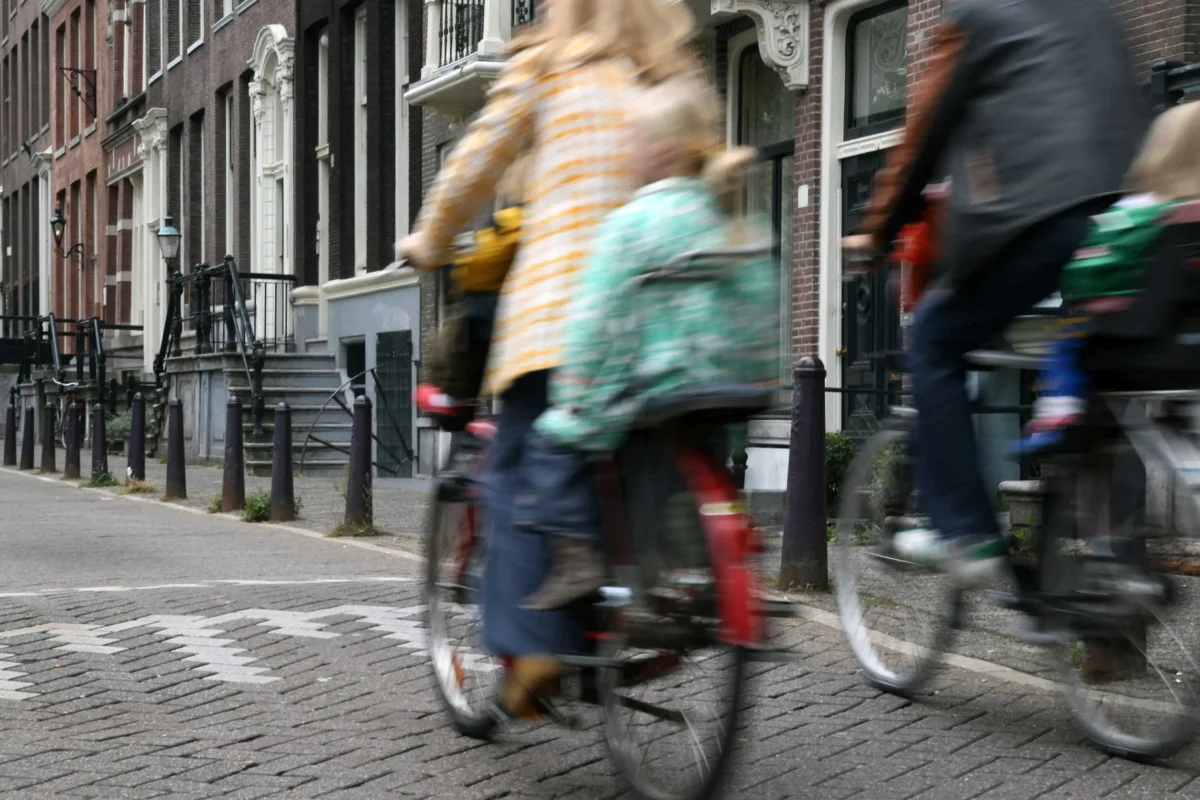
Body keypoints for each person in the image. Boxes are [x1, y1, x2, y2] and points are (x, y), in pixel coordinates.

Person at [397, 0, 703, 719]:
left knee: (518, 473)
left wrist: (428, 241)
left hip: (564, 318)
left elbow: (475, 161)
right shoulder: (672, 70)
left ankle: (534, 651)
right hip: (661, 325)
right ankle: (642, 595)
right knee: (626, 465)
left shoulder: (546, 64)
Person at [843, 0, 1148, 587]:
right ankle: (1121, 576)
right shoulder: (1097, 13)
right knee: (1099, 379)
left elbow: (924, 138)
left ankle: (966, 532)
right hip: (1125, 220)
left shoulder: (976, 14)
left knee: (934, 340)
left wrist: (877, 229)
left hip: (1039, 217)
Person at [517, 76, 778, 611]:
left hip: (655, 385)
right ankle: (704, 544)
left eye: (631, 140)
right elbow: (761, 297)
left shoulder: (630, 223)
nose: (626, 152)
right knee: (694, 451)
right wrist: (757, 371)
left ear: (660, 150)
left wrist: (578, 392)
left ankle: (580, 557)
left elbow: (597, 313)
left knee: (550, 443)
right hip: (725, 386)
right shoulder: (728, 215)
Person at [1014, 101, 1200, 455]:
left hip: (1139, 359)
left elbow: (1084, 278)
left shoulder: (1136, 212)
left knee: (1071, 336)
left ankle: (1059, 414)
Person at [418, 156, 529, 417]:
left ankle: (452, 393)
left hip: (525, 348)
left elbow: (480, 265)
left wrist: (434, 244)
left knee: (468, 305)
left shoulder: (518, 220)